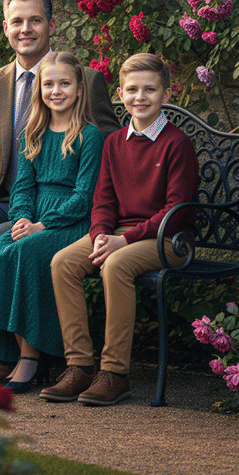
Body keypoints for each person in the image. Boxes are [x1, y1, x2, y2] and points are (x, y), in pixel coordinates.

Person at [0, 0, 120, 384]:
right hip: (10, 198)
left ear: (51, 25)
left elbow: (109, 154)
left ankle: (17, 354)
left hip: (64, 207)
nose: (26, 29)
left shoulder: (86, 80)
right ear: (5, 27)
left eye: (35, 20)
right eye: (17, 21)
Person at [41, 52, 199, 406]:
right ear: (121, 94)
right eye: (132, 90)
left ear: (166, 94)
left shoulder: (177, 144)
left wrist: (122, 240)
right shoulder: (114, 142)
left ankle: (115, 373)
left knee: (115, 265)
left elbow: (175, 211)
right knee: (63, 262)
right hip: (119, 235)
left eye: (149, 90)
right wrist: (100, 234)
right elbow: (103, 200)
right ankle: (80, 366)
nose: (140, 97)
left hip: (169, 239)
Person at [0, 52, 105, 392]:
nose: (56, 91)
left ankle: (32, 355)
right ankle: (7, 350)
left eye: (64, 84)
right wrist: (22, 217)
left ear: (79, 89)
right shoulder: (31, 131)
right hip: (34, 218)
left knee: (26, 252)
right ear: (38, 90)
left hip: (70, 223)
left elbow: (84, 196)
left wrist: (42, 225)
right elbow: (22, 187)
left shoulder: (89, 135)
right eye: (49, 84)